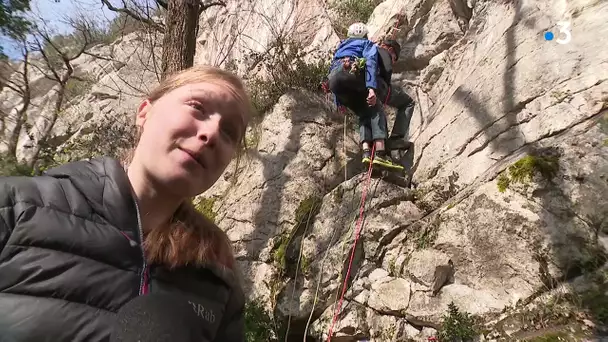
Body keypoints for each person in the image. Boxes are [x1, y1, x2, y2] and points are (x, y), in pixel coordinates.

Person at [0, 65, 250, 341]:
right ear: (144, 112)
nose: (212, 133)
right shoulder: (16, 207)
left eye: (229, 132)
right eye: (197, 107)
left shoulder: (217, 278)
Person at [327, 22, 402, 171]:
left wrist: (339, 102)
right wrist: (371, 89)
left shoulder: (340, 48)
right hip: (351, 74)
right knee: (376, 108)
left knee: (363, 113)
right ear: (364, 35)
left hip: (335, 82)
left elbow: (333, 75)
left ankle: (366, 153)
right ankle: (380, 154)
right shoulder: (367, 44)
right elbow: (370, 63)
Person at [375, 38, 416, 151]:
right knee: (408, 103)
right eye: (394, 58)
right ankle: (396, 139)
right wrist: (386, 84)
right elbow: (388, 69)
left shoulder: (370, 50)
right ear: (390, 49)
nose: (393, 62)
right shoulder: (384, 52)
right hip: (379, 85)